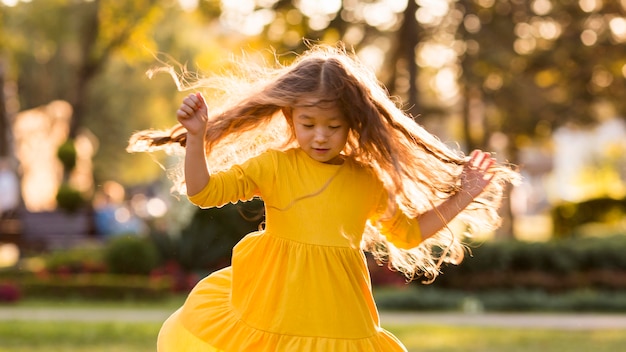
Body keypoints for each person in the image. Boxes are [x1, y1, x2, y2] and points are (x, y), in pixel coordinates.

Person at [128, 43, 519, 352]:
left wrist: (464, 195)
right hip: (274, 308)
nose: (319, 136)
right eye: (308, 124)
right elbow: (204, 192)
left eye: (333, 126)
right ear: (289, 117)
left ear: (353, 123)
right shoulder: (275, 166)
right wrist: (196, 138)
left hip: (338, 316)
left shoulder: (367, 180)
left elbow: (409, 234)